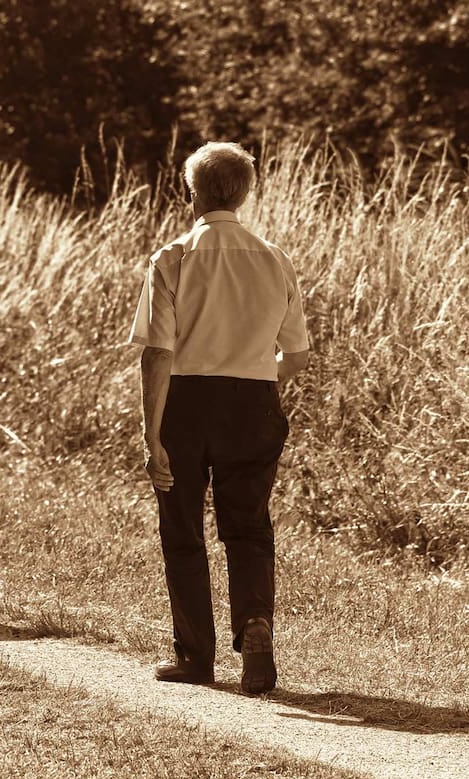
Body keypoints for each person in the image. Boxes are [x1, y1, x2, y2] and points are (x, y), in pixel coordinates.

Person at [129, 142, 311, 693]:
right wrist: (256, 377)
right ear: (247, 192)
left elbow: (157, 352)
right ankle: (255, 625)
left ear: (193, 191)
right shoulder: (274, 257)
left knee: (182, 527)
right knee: (249, 525)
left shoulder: (174, 256)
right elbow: (297, 355)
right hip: (254, 402)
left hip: (186, 400)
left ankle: (195, 656)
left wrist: (151, 431)